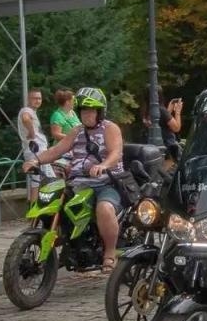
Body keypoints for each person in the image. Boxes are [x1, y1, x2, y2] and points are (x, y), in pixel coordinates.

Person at [24, 87, 126, 271]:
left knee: (104, 208)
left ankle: (110, 252)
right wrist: (36, 160)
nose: (87, 115)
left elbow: (116, 153)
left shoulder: (110, 129)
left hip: (107, 182)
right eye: (84, 111)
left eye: (91, 110)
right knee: (56, 201)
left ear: (100, 111)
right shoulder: (77, 131)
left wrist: (103, 165)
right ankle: (68, 244)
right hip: (78, 182)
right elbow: (56, 150)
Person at [17, 89, 53, 203]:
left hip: (37, 150)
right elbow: (25, 118)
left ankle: (36, 211)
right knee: (43, 182)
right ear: (28, 99)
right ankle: (35, 213)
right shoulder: (27, 110)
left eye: (39, 98)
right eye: (34, 98)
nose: (37, 101)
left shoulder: (32, 111)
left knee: (40, 181)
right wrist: (31, 131)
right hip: (36, 151)